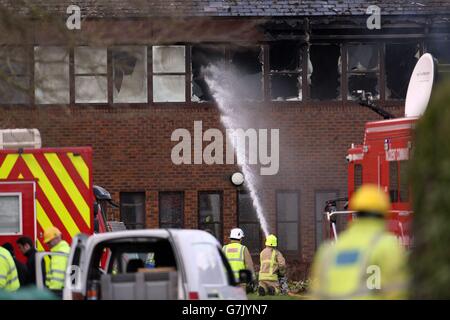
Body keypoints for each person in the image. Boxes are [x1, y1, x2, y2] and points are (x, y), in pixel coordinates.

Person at [309, 184, 409, 299]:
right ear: (385, 213)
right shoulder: (387, 246)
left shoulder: (328, 251)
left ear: (356, 212)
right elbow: (397, 293)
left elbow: (316, 294)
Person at [43, 226, 70, 294]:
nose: (48, 245)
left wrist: (52, 294)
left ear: (57, 238)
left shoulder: (59, 253)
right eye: (47, 243)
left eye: (49, 242)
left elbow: (57, 277)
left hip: (56, 291)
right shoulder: (64, 249)